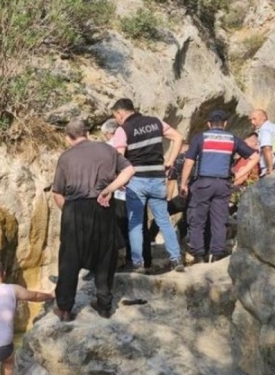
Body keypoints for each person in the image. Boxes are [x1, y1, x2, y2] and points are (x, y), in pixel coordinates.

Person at [52, 118, 135, 320]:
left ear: (68, 137)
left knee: (69, 259)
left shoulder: (66, 157)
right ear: (87, 133)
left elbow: (57, 194)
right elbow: (130, 170)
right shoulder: (107, 150)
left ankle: (64, 309)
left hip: (74, 209)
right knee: (105, 255)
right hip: (103, 206)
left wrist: (71, 212)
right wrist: (109, 189)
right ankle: (105, 306)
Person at [111, 98, 185, 272]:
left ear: (121, 113)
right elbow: (178, 137)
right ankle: (176, 259)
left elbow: (119, 158)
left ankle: (138, 263)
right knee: (164, 220)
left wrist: (120, 178)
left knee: (135, 222)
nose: (117, 120)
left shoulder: (123, 130)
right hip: (158, 178)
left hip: (136, 180)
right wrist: (170, 161)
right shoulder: (155, 122)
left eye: (116, 117)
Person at [180, 110, 260, 264]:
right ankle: (216, 254)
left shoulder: (200, 138)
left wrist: (183, 183)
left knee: (198, 220)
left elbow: (189, 162)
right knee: (219, 220)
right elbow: (255, 156)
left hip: (202, 183)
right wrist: (240, 173)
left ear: (209, 124)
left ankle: (199, 255)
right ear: (225, 123)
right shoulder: (233, 139)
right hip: (223, 184)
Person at [101, 119, 131, 268]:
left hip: (115, 192)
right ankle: (130, 259)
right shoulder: (128, 143)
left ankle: (119, 260)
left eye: (105, 134)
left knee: (117, 226)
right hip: (130, 191)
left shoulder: (107, 147)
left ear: (109, 133)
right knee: (130, 225)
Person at [249, 109, 275, 175]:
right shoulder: (272, 126)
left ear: (264, 117)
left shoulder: (264, 129)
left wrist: (270, 168)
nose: (252, 122)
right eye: (251, 120)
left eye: (254, 119)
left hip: (271, 166)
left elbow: (266, 148)